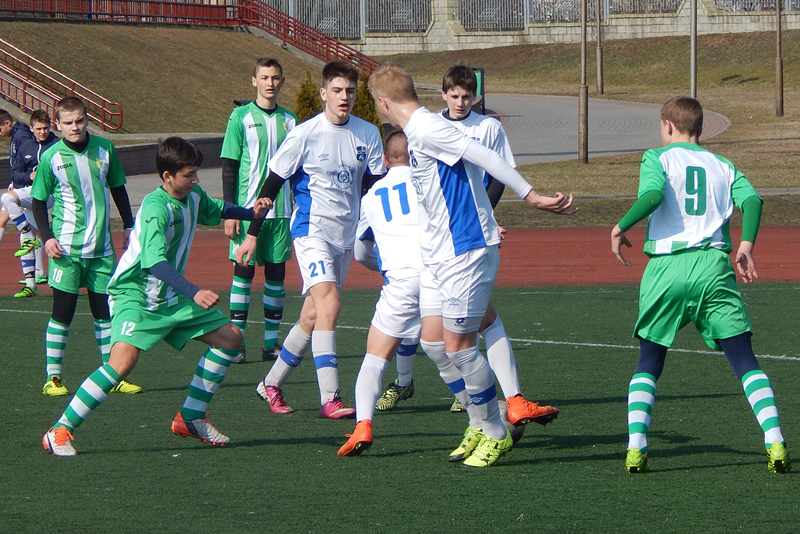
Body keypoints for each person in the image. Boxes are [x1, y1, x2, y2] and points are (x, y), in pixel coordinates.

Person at [368, 63, 576, 467]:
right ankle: (481, 421)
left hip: (465, 251)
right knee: (433, 343)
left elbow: (486, 156)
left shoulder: (427, 128)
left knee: (460, 349)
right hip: (438, 255)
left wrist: (530, 196)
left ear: (383, 103)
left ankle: (495, 431)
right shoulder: (421, 129)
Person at [42, 137, 271, 456]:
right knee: (121, 364)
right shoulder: (154, 208)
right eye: (189, 175)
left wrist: (250, 212)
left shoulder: (192, 195)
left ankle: (191, 418)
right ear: (167, 176)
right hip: (136, 295)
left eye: (196, 172)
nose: (196, 180)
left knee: (231, 338)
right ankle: (60, 430)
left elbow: (216, 208)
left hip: (170, 296)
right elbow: (154, 262)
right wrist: (195, 291)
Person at [611, 96, 791, 474]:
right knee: (744, 359)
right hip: (713, 267)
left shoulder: (657, 158)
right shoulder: (724, 165)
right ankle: (775, 441)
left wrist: (621, 225)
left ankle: (636, 447)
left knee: (649, 361)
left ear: (667, 126)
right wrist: (746, 245)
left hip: (666, 269)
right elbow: (753, 201)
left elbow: (653, 195)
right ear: (702, 128)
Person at [237, 60, 384, 419]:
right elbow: (271, 185)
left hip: (345, 236)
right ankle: (330, 398)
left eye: (350, 90)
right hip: (310, 230)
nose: (344, 96)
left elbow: (375, 189)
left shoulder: (368, 134)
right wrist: (252, 234)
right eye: (337, 90)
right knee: (330, 305)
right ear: (323, 94)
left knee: (312, 315)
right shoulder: (304, 134)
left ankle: (270, 383)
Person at [30, 97, 141, 397]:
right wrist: (47, 237)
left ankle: (112, 375)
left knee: (105, 314)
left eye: (79, 120)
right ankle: (53, 378)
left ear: (87, 119)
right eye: (68, 122)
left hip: (102, 249)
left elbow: (118, 188)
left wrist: (129, 225)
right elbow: (38, 201)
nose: (75, 127)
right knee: (62, 314)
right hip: (65, 251)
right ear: (58, 125)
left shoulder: (105, 148)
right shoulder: (51, 157)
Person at [221, 58, 297, 364]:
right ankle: (235, 343)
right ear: (254, 81)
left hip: (281, 212)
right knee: (243, 273)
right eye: (264, 77)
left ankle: (270, 345)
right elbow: (229, 167)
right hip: (246, 212)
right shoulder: (239, 117)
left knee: (276, 276)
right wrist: (230, 212)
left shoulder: (291, 120)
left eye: (275, 78)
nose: (270, 83)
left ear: (281, 82)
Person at [2, 110, 57, 298]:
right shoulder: (26, 146)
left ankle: (26, 232)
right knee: (26, 240)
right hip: (31, 194)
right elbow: (15, 174)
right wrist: (29, 176)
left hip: (48, 195)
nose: (42, 132)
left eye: (45, 128)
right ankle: (31, 285)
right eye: (39, 128)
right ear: (31, 128)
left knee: (7, 198)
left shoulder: (57, 145)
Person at [0, 109, 35, 246]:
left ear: (7, 123)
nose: (0, 133)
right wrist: (13, 181)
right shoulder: (16, 135)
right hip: (18, 184)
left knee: (31, 229)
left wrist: (23, 179)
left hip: (25, 187)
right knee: (2, 219)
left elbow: (29, 160)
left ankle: (34, 258)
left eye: (0, 129)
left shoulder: (22, 135)